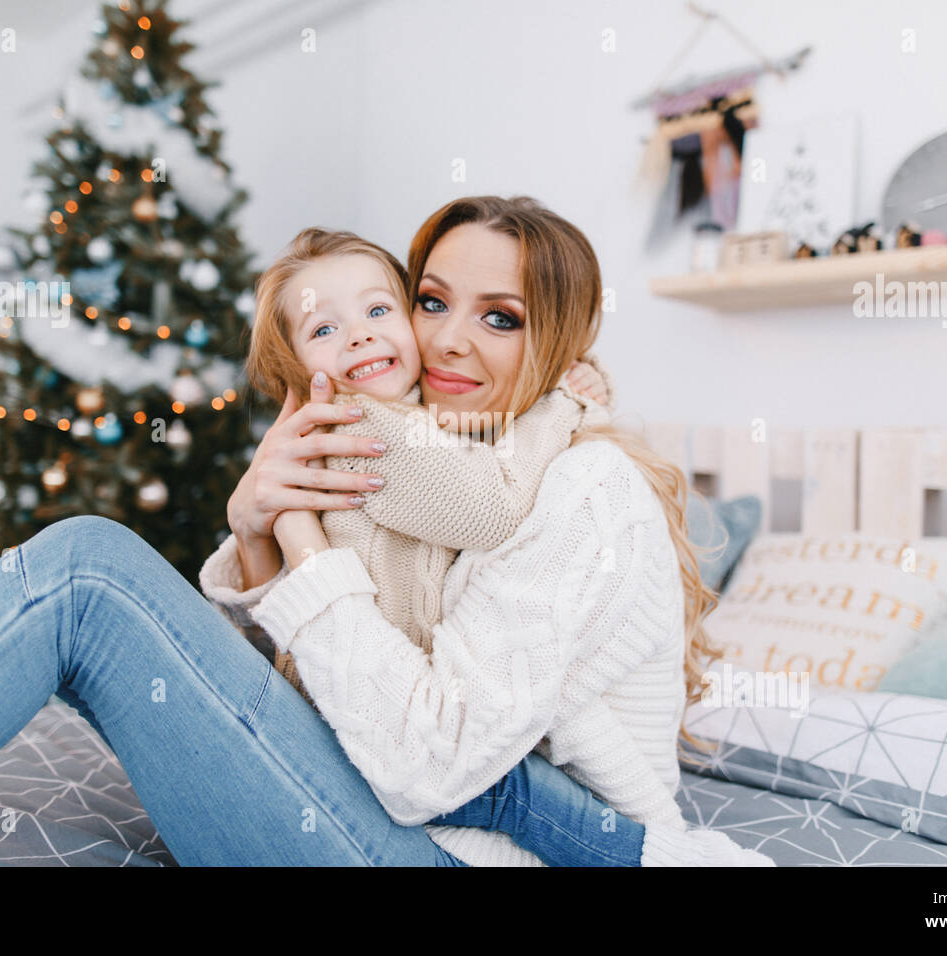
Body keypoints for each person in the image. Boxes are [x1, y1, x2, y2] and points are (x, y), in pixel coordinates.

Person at [209, 195, 774, 867]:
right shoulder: (428, 437)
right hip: (378, 785)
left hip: (492, 840)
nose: (449, 340)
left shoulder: (585, 484)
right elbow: (279, 654)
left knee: (92, 568)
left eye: (501, 318)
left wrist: (294, 528)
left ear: (558, 342)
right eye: (433, 302)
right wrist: (252, 533)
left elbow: (424, 762)